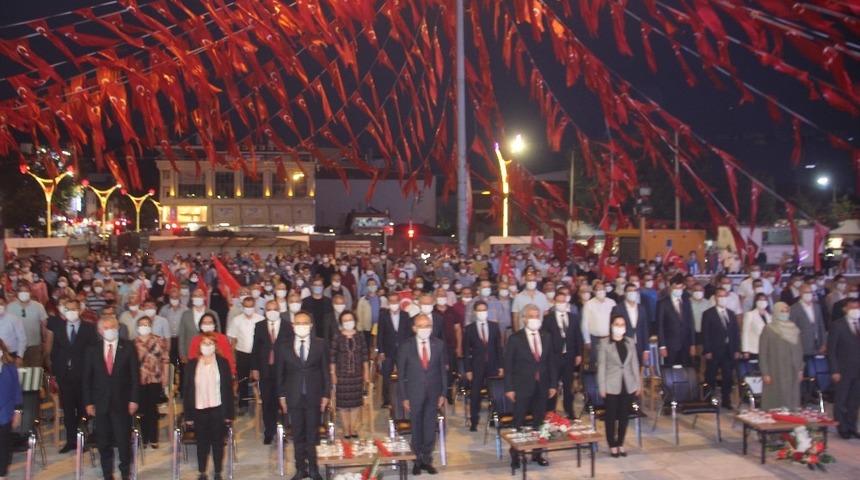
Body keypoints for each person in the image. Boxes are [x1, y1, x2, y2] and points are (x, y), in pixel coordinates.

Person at [83, 316, 140, 480]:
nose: (110, 330)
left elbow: (135, 376)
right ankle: (108, 474)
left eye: (113, 326)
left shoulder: (128, 347)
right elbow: (87, 378)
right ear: (100, 330)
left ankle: (125, 473)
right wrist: (88, 402)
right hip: (100, 403)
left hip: (122, 402)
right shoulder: (92, 349)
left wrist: (134, 399)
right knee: (103, 441)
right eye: (106, 327)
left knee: (123, 441)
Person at [276, 312, 331, 480]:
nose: (301, 325)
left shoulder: (320, 344)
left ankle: (313, 468)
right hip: (293, 396)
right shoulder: (284, 346)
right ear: (293, 326)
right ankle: (300, 468)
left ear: (311, 325)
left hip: (314, 396)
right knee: (298, 433)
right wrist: (281, 396)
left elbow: (325, 372)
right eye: (298, 323)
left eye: (305, 322)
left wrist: (326, 394)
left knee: (312, 434)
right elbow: (280, 374)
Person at [504, 305, 557, 470]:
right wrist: (509, 388)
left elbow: (551, 362)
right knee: (518, 421)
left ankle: (537, 453)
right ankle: (516, 454)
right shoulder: (515, 338)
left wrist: (553, 384)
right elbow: (508, 365)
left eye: (537, 315)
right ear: (524, 318)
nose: (535, 319)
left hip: (542, 386)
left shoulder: (546, 336)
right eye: (531, 316)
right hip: (522, 386)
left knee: (539, 422)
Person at [397, 314, 448, 475]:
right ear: (414, 328)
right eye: (421, 326)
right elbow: (401, 374)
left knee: (430, 427)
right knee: (417, 426)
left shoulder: (439, 344)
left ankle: (427, 459)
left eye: (428, 326)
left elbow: (442, 372)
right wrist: (404, 397)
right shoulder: (406, 346)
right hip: (414, 393)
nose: (425, 329)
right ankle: (417, 460)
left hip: (433, 393)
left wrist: (443, 393)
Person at [46, 299, 98, 453]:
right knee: (68, 410)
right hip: (65, 376)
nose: (71, 312)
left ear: (80, 310)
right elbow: (54, 351)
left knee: (83, 409)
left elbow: (93, 351)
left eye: (74, 309)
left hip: (83, 376)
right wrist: (56, 370)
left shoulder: (89, 328)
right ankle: (70, 441)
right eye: (68, 309)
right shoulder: (59, 327)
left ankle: (83, 439)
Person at [183, 333, 235, 480]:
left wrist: (229, 414)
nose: (207, 346)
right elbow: (187, 391)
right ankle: (202, 472)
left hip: (218, 409)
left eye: (210, 343)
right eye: (204, 343)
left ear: (215, 346)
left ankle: (218, 471)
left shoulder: (223, 363)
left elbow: (228, 390)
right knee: (202, 443)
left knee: (218, 442)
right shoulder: (192, 364)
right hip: (199, 410)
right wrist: (188, 416)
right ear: (199, 346)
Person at [597, 315, 640, 457]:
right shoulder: (604, 343)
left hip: (628, 384)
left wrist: (638, 384)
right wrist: (602, 387)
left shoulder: (630, 342)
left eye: (622, 324)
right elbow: (601, 366)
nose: (619, 327)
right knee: (611, 416)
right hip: (611, 384)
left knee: (624, 415)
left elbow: (634, 364)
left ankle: (620, 442)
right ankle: (612, 444)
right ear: (611, 325)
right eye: (617, 324)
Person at [250, 300, 293, 444]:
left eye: (275, 309)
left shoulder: (287, 326)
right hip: (265, 370)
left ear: (280, 309)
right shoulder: (260, 326)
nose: (272, 311)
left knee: (283, 403)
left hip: (283, 371)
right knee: (268, 402)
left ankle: (283, 432)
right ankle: (269, 431)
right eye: (269, 309)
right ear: (265, 311)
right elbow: (255, 349)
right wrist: (255, 368)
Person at [541, 292, 582, 419]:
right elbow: (545, 339)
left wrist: (578, 354)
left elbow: (577, 337)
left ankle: (569, 410)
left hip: (569, 356)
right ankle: (550, 411)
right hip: (554, 357)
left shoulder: (574, 317)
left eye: (563, 301)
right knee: (552, 384)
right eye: (559, 301)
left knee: (568, 384)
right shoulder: (548, 318)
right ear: (554, 303)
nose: (561, 304)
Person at [329, 310, 369, 439]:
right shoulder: (337, 336)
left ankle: (353, 428)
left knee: (356, 403)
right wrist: (333, 374)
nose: (348, 322)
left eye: (350, 319)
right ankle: (346, 429)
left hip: (357, 375)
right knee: (343, 404)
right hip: (342, 375)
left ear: (355, 321)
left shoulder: (360, 335)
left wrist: (366, 372)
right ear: (341, 322)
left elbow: (364, 355)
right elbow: (332, 357)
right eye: (345, 320)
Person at [464, 301, 503, 430]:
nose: (482, 312)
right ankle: (474, 421)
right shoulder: (469, 329)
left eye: (484, 310)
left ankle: (494, 419)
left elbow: (499, 347)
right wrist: (468, 369)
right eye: (479, 310)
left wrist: (501, 366)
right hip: (476, 366)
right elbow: (466, 351)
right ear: (475, 312)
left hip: (493, 365)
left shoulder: (494, 326)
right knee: (475, 395)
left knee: (495, 393)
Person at [759, 302, 803, 410]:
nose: (785, 313)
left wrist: (800, 369)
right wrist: (765, 373)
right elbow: (763, 352)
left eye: (787, 311)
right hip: (775, 368)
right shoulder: (769, 329)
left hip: (792, 368)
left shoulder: (794, 329)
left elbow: (799, 350)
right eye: (782, 311)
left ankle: (790, 420)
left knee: (791, 396)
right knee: (775, 398)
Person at [701, 288, 741, 408]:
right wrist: (707, 350)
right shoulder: (708, 313)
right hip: (713, 350)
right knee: (711, 376)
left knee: (728, 376)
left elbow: (735, 333)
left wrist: (737, 349)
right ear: (715, 298)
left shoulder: (731, 313)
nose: (722, 298)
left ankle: (726, 400)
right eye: (720, 296)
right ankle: (709, 400)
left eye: (724, 296)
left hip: (728, 350)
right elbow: (705, 333)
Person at [133, 316, 170, 448]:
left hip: (155, 378)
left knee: (152, 410)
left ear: (151, 326)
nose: (144, 326)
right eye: (141, 324)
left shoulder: (159, 341)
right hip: (140, 380)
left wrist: (165, 376)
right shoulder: (133, 343)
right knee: (141, 409)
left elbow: (165, 359)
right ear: (137, 327)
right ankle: (144, 438)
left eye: (147, 324)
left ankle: (154, 438)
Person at [827, 299, 860, 439]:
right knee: (841, 400)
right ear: (845, 309)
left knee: (854, 400)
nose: (856, 310)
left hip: (858, 370)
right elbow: (832, 350)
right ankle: (842, 427)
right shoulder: (837, 325)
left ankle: (852, 426)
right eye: (852, 307)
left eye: (857, 307)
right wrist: (834, 370)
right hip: (843, 369)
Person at [227, 297, 263, 412]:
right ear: (243, 307)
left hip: (257, 354)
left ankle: (261, 402)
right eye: (246, 307)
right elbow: (233, 340)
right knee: (242, 379)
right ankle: (243, 404)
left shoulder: (261, 319)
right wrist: (233, 357)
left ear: (254, 306)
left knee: (259, 379)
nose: (249, 309)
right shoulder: (236, 320)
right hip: (242, 353)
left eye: (251, 306)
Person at [376, 292, 412, 407]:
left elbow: (409, 334)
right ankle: (386, 400)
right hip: (387, 351)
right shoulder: (383, 316)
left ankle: (405, 397)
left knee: (404, 375)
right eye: (391, 301)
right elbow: (380, 334)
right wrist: (380, 351)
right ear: (388, 303)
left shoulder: (406, 315)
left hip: (403, 350)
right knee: (386, 376)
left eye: (396, 301)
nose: (394, 303)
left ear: (399, 302)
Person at [7, 283, 48, 367]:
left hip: (34, 345)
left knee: (35, 372)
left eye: (26, 291)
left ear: (30, 292)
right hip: (16, 347)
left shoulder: (38, 306)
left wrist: (44, 341)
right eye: (21, 291)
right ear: (17, 293)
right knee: (19, 374)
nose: (23, 293)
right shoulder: (10, 307)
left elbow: (44, 325)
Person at [657, 277, 696, 367]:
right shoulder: (662, 303)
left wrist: (693, 344)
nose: (678, 290)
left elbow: (691, 324)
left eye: (680, 288)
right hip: (670, 345)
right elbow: (660, 326)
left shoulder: (687, 302)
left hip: (686, 344)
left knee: (686, 370)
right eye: (676, 288)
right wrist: (662, 346)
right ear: (670, 288)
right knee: (670, 371)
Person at [611, 284, 650, 366]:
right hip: (624, 344)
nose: (632, 293)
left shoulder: (641, 308)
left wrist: (646, 349)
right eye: (630, 291)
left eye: (634, 291)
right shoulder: (617, 308)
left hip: (639, 345)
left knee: (638, 369)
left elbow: (645, 329)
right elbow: (614, 329)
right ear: (625, 293)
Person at [0, 340, 23, 480]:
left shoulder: (10, 368)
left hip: (5, 414)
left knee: (3, 445)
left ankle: (2, 473)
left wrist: (18, 412)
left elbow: (17, 392)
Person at [581, 281, 617, 367]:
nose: (601, 291)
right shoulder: (589, 304)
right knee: (596, 363)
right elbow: (584, 323)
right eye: (598, 290)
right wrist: (587, 340)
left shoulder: (612, 303)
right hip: (595, 339)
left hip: (609, 338)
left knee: (610, 362)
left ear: (605, 290)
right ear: (594, 292)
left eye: (602, 289)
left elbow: (616, 320)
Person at [179, 290, 220, 362]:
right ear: (192, 298)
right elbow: (182, 336)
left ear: (204, 297)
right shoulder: (185, 314)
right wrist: (182, 354)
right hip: (190, 353)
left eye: (200, 295)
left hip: (210, 352)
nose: (198, 298)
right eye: (195, 296)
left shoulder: (213, 313)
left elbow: (218, 334)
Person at [789, 285, 826, 359]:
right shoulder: (793, 309)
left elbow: (821, 326)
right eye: (806, 292)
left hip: (818, 346)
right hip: (802, 347)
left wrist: (824, 343)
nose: (808, 294)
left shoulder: (817, 307)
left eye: (810, 292)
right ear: (800, 293)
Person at [741, 293, 772, 359]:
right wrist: (745, 350)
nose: (762, 302)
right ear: (756, 302)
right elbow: (745, 333)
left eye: (764, 300)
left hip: (768, 348)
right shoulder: (750, 314)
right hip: (754, 349)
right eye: (760, 300)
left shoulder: (769, 316)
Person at [0, 298, 26, 363]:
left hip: (12, 354)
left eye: (1, 304)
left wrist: (19, 356)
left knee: (11, 372)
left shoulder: (14, 319)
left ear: (5, 305)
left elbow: (22, 339)